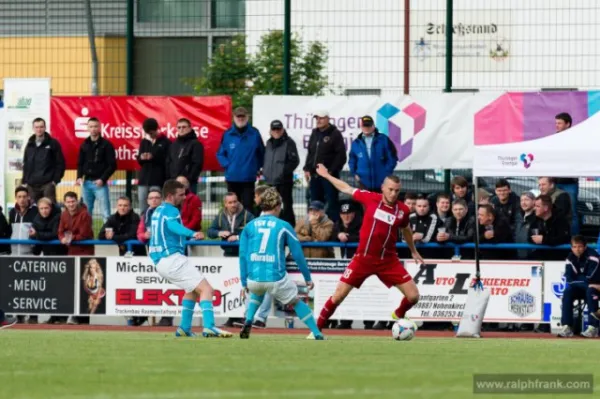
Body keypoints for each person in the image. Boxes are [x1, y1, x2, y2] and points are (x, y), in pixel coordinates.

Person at [312, 164, 424, 335]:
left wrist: (413, 250)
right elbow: (347, 188)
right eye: (391, 189)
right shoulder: (371, 198)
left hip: (388, 260)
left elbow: (406, 229)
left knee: (413, 296)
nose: (394, 193)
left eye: (397, 190)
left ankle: (398, 314)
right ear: (383, 188)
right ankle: (316, 331)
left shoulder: (403, 210)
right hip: (363, 258)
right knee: (338, 295)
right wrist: (327, 175)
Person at [238, 187, 324, 340]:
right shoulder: (284, 225)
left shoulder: (249, 226)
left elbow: (243, 255)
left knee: (257, 292)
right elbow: (297, 254)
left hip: (254, 278)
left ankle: (249, 319)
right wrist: (307, 278)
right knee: (296, 302)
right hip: (276, 278)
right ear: (277, 206)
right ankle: (316, 332)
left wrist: (244, 281)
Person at [149, 179, 232, 338]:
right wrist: (192, 233)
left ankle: (184, 328)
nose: (184, 197)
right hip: (172, 258)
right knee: (206, 289)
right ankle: (209, 327)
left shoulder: (158, 210)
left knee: (192, 290)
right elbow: (173, 227)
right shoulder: (171, 210)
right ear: (170, 196)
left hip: (160, 261)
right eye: (180, 194)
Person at [217, 107, 265, 214]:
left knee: (248, 206)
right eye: (238, 116)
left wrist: (256, 167)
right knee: (232, 206)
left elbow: (262, 153)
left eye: (243, 116)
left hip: (248, 178)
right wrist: (229, 166)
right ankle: (233, 228)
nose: (240, 118)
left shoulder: (255, 133)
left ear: (247, 117)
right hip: (232, 178)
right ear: (233, 118)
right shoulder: (227, 134)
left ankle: (247, 229)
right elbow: (220, 154)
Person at [557, 236, 600, 338]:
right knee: (568, 291)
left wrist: (580, 279)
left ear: (585, 247)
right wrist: (583, 280)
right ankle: (567, 327)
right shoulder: (570, 258)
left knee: (590, 290)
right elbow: (569, 279)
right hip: (586, 287)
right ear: (571, 247)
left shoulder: (593, 256)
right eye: (574, 247)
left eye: (580, 246)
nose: (577, 249)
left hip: (597, 289)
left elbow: (592, 277)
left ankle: (593, 327)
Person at [22, 117, 65, 203]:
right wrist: (25, 181)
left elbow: (60, 163)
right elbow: (26, 163)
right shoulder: (29, 144)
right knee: (32, 211)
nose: (39, 129)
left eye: (41, 127)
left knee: (50, 209)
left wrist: (55, 180)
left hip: (48, 184)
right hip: (31, 185)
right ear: (33, 128)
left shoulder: (53, 143)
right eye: (37, 127)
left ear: (45, 128)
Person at [137, 118, 171, 213]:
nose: (150, 136)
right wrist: (142, 157)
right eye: (148, 133)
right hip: (144, 180)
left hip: (157, 180)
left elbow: (167, 161)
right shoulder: (144, 142)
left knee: (158, 208)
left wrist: (153, 157)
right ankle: (143, 227)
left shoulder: (166, 142)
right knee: (143, 208)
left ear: (156, 129)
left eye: (151, 133)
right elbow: (139, 161)